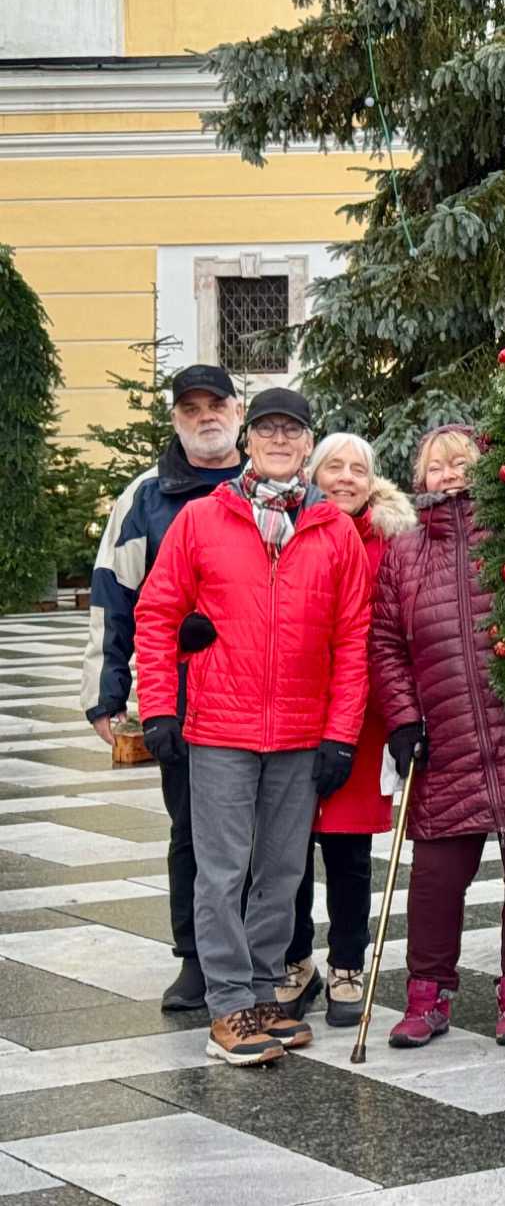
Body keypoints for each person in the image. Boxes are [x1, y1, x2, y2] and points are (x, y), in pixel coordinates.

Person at [133, 387, 369, 1066]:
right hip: (220, 729)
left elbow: (352, 639)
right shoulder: (204, 519)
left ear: (307, 442)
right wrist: (159, 707)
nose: (278, 440)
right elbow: (157, 614)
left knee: (282, 871)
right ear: (249, 439)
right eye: (267, 429)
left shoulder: (334, 531)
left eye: (291, 431)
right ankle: (229, 1006)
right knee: (222, 872)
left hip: (300, 732)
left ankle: (265, 994)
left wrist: (341, 733)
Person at [370, 425, 505, 1049]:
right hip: (444, 740)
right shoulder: (403, 553)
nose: (449, 474)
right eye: (436, 466)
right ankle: (426, 996)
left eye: (461, 463)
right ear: (418, 479)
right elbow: (386, 645)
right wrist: (402, 719)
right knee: (436, 878)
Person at [80, 364, 245, 1012]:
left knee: (275, 835)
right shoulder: (145, 497)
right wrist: (107, 693)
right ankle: (197, 960)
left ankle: (277, 956)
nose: (206, 417)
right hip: (183, 698)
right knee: (194, 833)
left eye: (216, 405)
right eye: (191, 408)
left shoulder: (272, 484)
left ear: (237, 411)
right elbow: (112, 594)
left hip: (268, 693)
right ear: (175, 418)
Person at [276, 432, 414, 1027]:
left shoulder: (393, 541)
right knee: (289, 849)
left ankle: (348, 965)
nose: (346, 478)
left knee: (349, 851)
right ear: (312, 473)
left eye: (359, 469)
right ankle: (294, 959)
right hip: (296, 711)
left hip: (363, 717)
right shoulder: (288, 528)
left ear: (373, 481)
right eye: (334, 467)